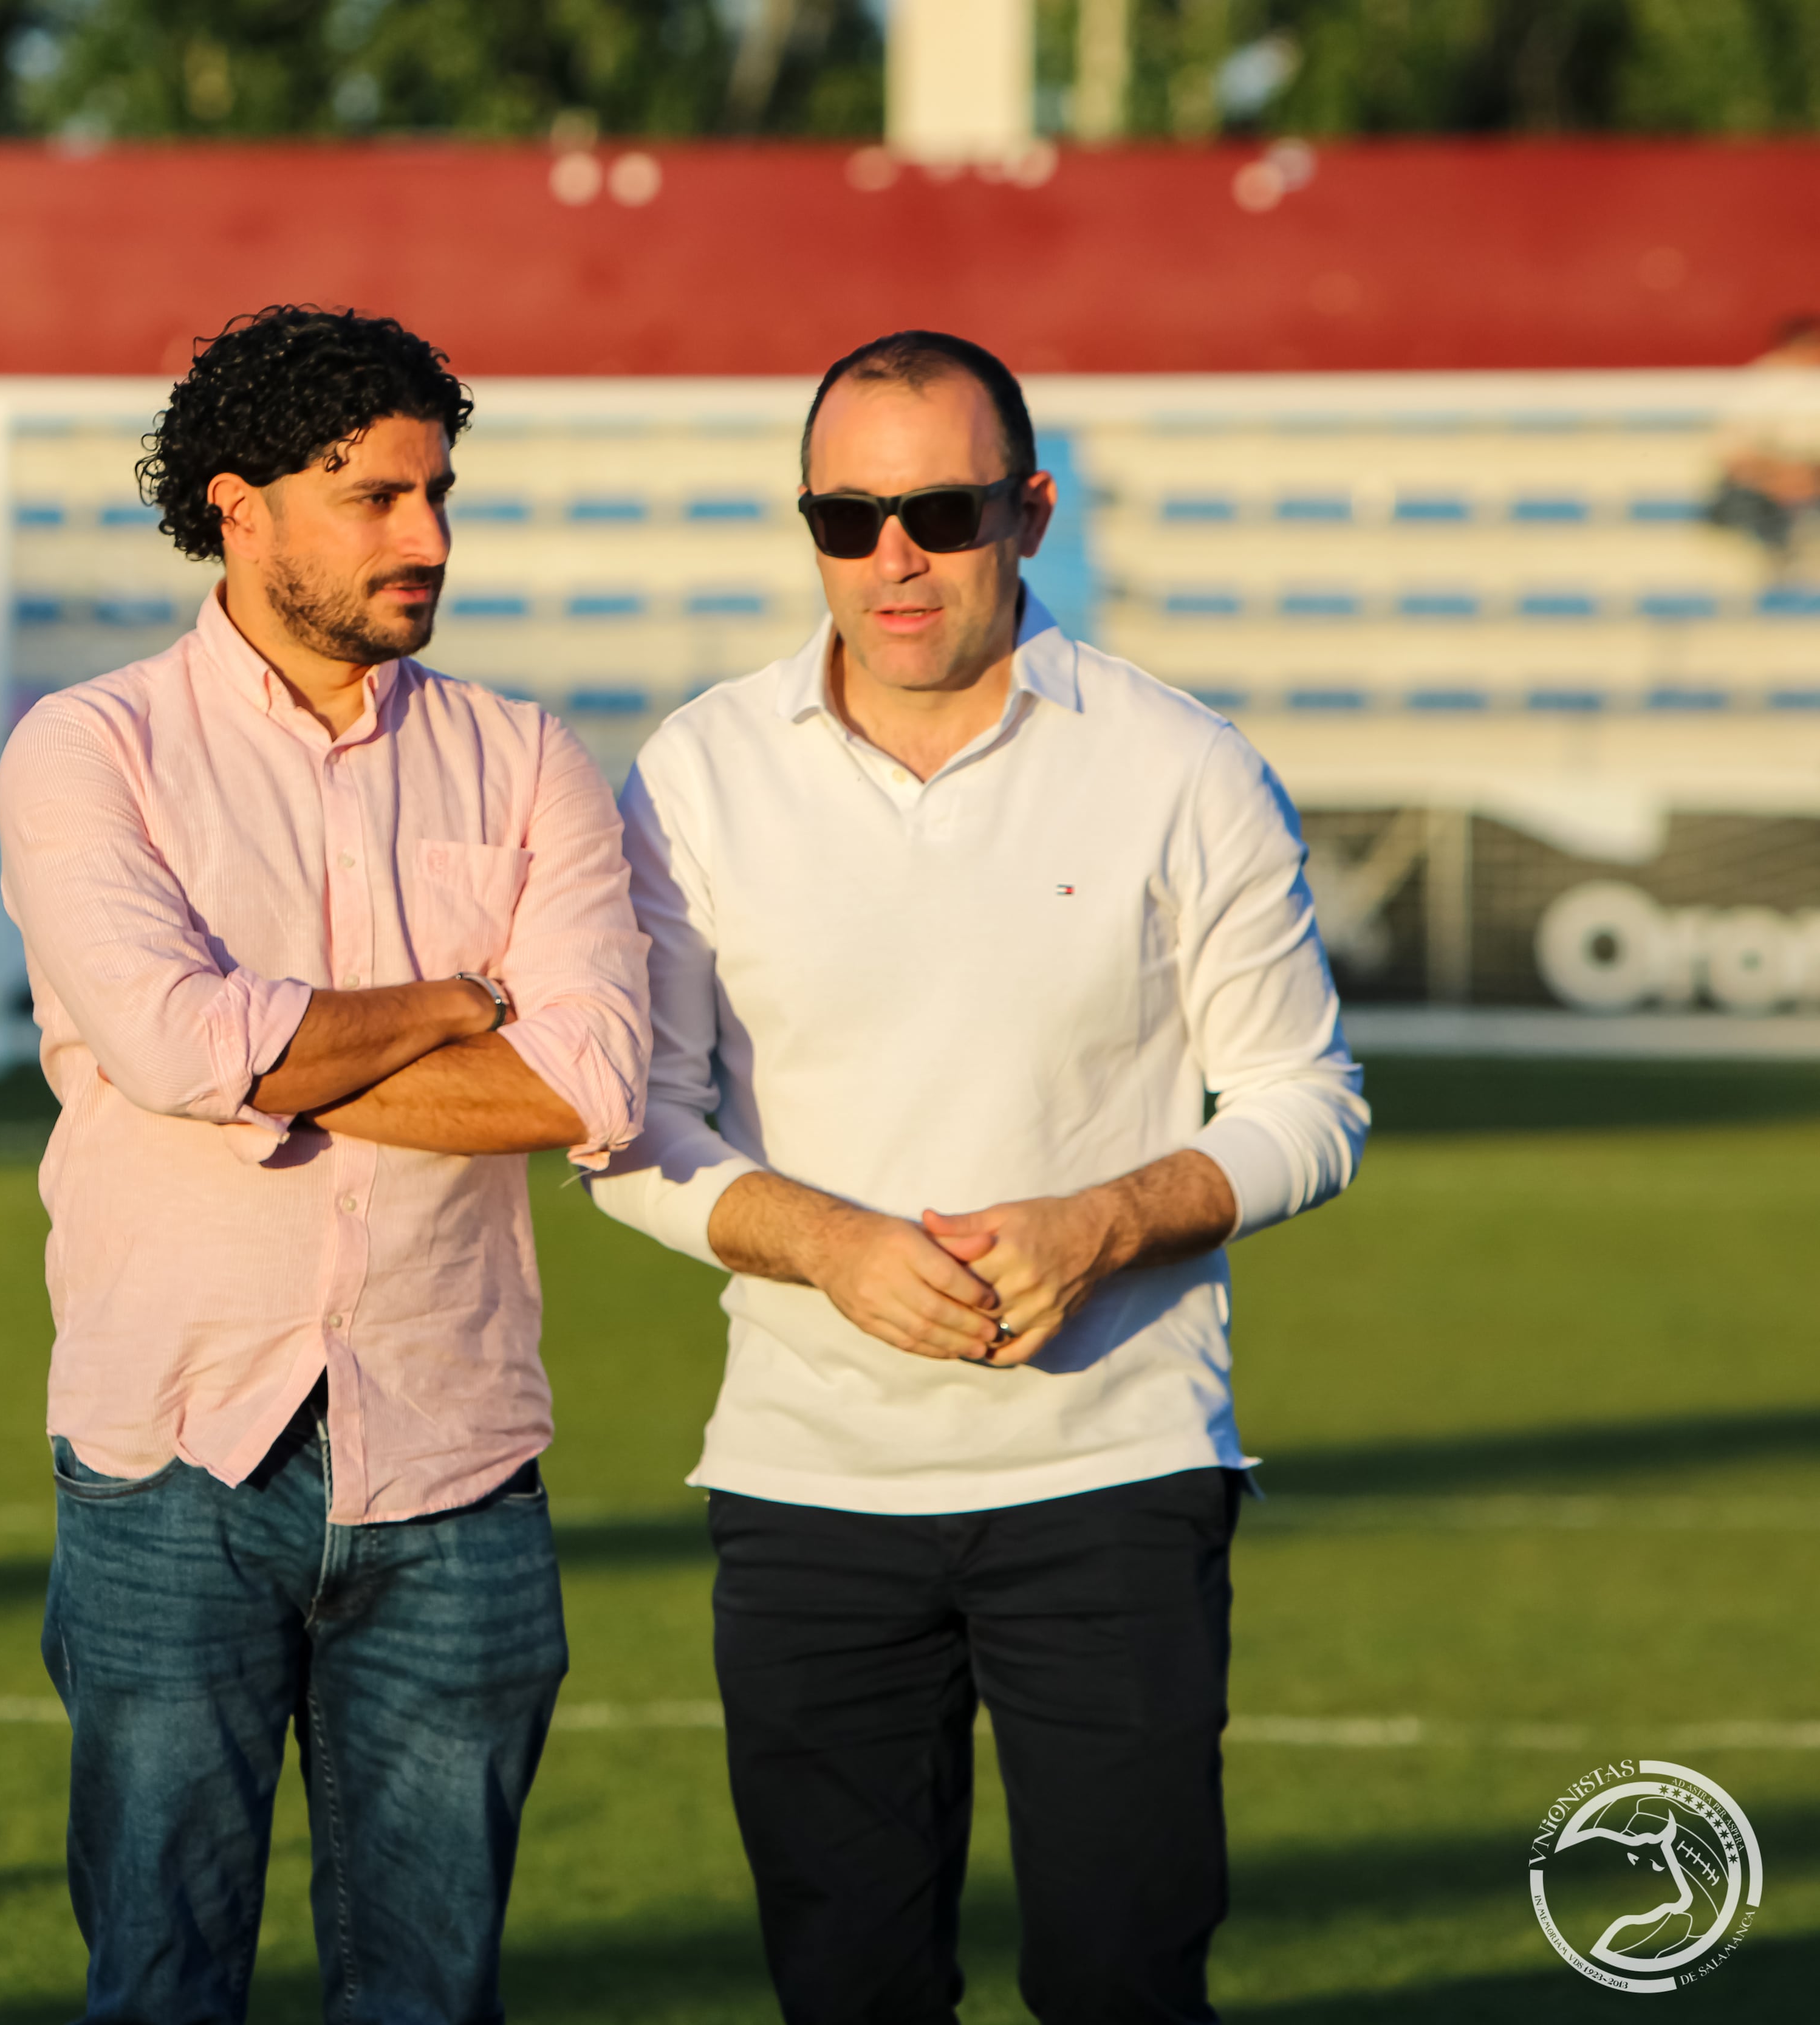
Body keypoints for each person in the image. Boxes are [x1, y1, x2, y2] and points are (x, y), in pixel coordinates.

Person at [586, 331, 1367, 2025]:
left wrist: (1107, 1219)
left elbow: (1308, 1099)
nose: (891, 557)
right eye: (844, 515)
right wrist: (826, 1242)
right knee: (848, 1987)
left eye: (937, 509)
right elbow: (631, 1123)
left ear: (1028, 510)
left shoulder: (1181, 764)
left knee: (1123, 1977)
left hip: (1120, 1472)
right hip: (807, 1488)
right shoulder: (699, 773)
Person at [0, 306, 648, 2025]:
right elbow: (169, 1043)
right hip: (172, 1454)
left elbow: (591, 1077)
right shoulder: (93, 746)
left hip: (454, 1457)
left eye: (439, 492)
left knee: (435, 1998)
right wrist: (456, 1001)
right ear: (241, 507)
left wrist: (256, 1052)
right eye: (372, 496)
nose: (427, 536)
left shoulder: (526, 755)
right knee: (159, 1987)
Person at [1707, 315, 1820, 572]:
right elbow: (1732, 452)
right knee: (1741, 499)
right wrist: (1777, 477)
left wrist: (1807, 477)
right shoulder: (1758, 386)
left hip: (1814, 480)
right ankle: (1780, 564)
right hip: (1765, 484)